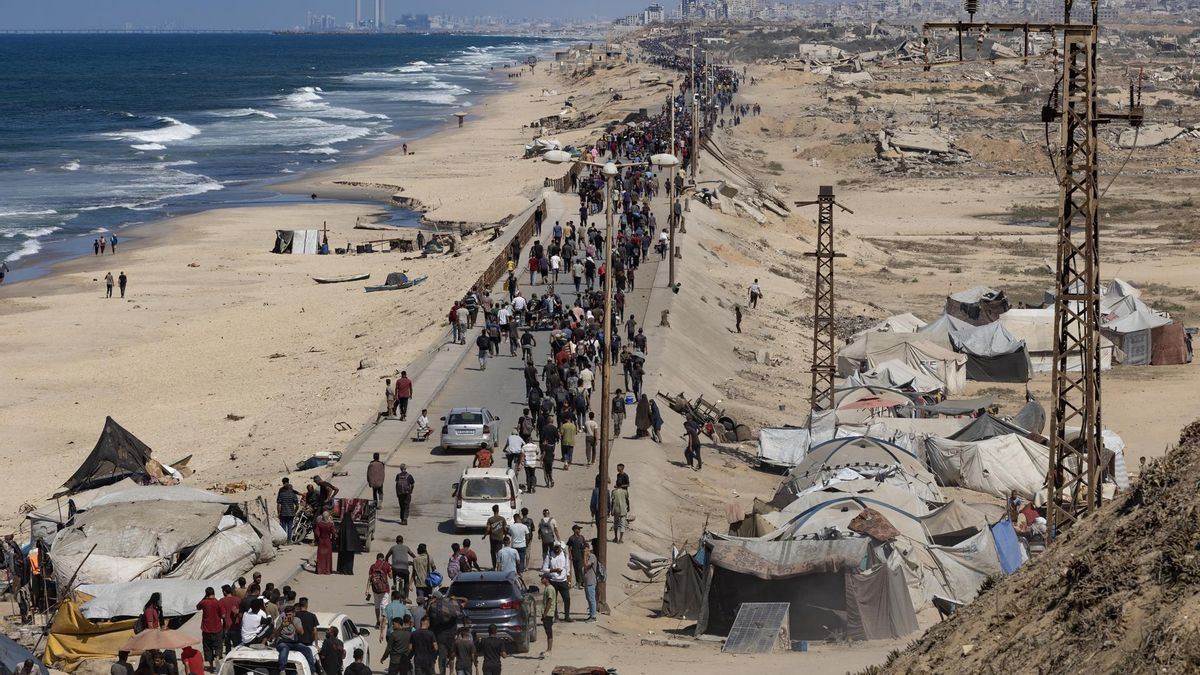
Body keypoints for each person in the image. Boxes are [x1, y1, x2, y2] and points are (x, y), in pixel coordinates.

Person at [273, 606, 316, 675]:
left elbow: (301, 632)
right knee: (284, 649)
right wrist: (282, 626)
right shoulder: (280, 619)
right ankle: (282, 670)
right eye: (287, 614)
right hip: (283, 641)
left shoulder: (297, 620)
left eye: (290, 614)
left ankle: (313, 671)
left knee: (307, 650)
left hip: (294, 642)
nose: (288, 616)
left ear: (294, 614)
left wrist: (293, 622)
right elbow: (276, 634)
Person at [196, 587, 224, 671]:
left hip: (206, 629)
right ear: (214, 593)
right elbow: (223, 615)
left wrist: (204, 598)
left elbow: (197, 607)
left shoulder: (204, 602)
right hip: (217, 628)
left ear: (206, 594)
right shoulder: (218, 602)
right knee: (218, 646)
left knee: (208, 648)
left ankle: (211, 666)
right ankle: (217, 657)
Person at [541, 543, 571, 621]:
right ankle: (555, 616)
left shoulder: (564, 554)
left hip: (563, 581)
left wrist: (569, 580)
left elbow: (567, 567)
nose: (557, 550)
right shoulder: (549, 556)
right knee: (553, 600)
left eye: (558, 548)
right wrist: (554, 570)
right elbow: (544, 569)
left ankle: (567, 616)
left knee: (567, 599)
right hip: (553, 581)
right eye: (555, 548)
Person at [337, 507, 366, 575]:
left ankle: (342, 570)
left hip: (343, 547)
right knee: (349, 560)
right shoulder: (352, 525)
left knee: (343, 558)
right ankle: (349, 571)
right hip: (350, 548)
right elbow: (355, 537)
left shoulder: (342, 525)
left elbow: (339, 536)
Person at [367, 553, 393, 625]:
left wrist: (367, 589)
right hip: (385, 589)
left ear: (377, 558)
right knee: (384, 606)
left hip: (375, 589)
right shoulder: (386, 565)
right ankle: (383, 621)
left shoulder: (373, 566)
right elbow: (391, 576)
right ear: (383, 558)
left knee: (377, 606)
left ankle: (378, 621)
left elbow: (369, 578)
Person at [386, 535, 414, 599]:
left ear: (396, 541)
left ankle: (394, 584)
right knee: (406, 582)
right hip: (405, 570)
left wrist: (387, 564)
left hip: (395, 569)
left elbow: (387, 556)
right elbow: (413, 556)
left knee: (394, 573)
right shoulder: (406, 548)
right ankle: (406, 597)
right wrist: (413, 562)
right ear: (402, 541)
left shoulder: (393, 548)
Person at [277, 478, 300, 542]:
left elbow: (278, 504)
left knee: (283, 527)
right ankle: (289, 541)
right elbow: (297, 505)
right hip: (291, 513)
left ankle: (284, 541)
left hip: (283, 513)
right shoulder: (293, 494)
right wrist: (294, 511)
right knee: (290, 527)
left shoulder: (281, 493)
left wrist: (278, 513)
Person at [485, 505, 508, 569]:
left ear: (493, 511)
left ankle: (494, 566)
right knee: (499, 552)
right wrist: (505, 536)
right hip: (500, 538)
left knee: (493, 553)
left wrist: (484, 536)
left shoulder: (490, 519)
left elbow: (488, 529)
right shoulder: (502, 519)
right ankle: (499, 566)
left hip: (492, 538)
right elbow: (505, 529)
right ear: (498, 510)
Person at [219, 586, 241, 652]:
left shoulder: (221, 601)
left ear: (224, 592)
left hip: (227, 627)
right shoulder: (238, 599)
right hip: (237, 626)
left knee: (228, 647)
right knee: (237, 647)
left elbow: (222, 615)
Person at [312, 511, 335, 575]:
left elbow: (316, 533)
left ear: (322, 516)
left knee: (320, 556)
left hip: (321, 541)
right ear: (328, 517)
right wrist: (332, 540)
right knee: (327, 557)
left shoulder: (319, 524)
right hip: (328, 541)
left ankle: (320, 570)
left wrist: (317, 539)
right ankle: (327, 570)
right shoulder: (330, 524)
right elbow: (334, 533)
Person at [539, 574, 556, 655]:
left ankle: (549, 650)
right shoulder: (548, 588)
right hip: (548, 613)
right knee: (547, 631)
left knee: (549, 631)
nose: (541, 580)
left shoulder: (549, 588)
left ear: (546, 579)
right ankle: (548, 649)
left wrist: (545, 613)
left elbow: (549, 601)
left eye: (542, 578)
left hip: (548, 613)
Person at [582, 542, 599, 622]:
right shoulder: (586, 557)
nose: (583, 551)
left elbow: (586, 566)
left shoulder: (592, 557)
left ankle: (593, 616)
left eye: (584, 549)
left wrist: (585, 556)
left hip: (591, 581)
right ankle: (591, 614)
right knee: (588, 598)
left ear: (588, 548)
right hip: (586, 581)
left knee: (592, 599)